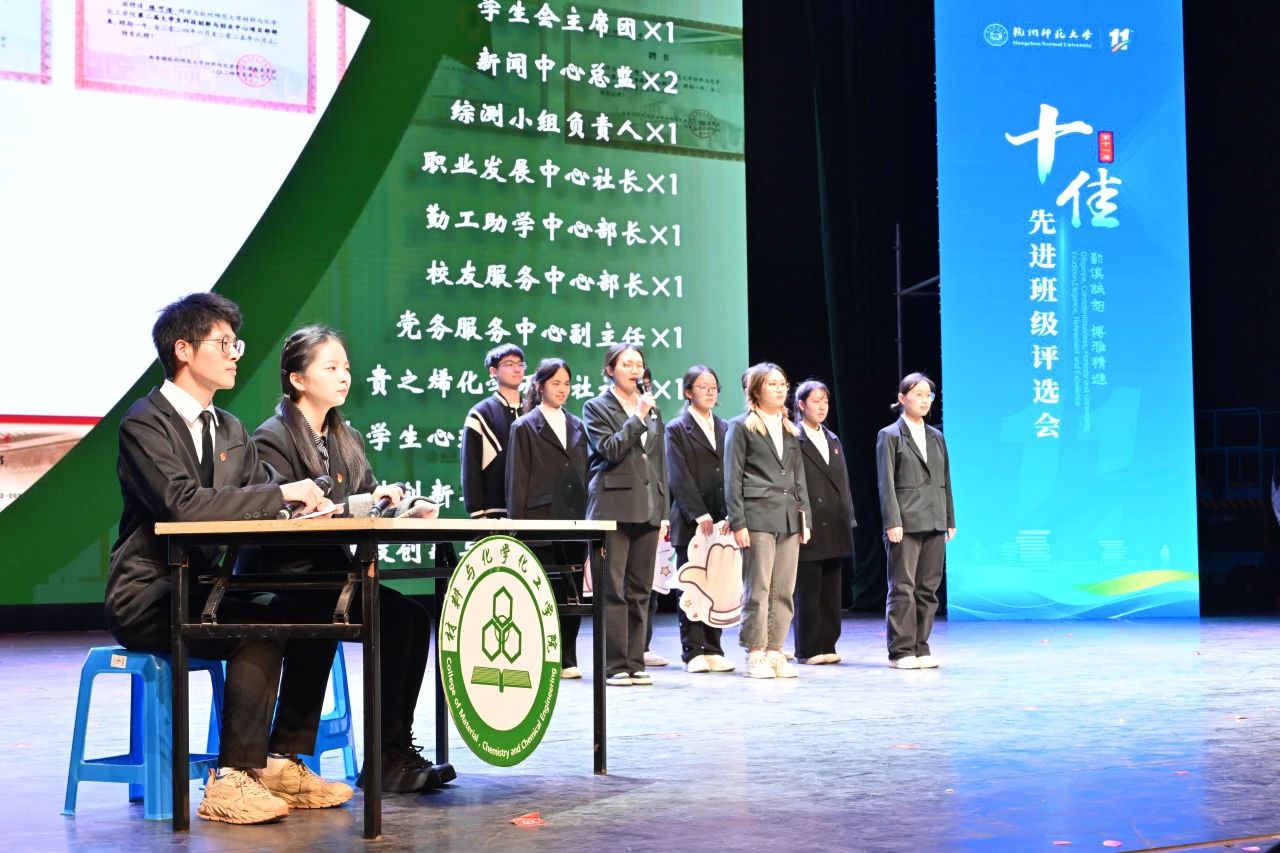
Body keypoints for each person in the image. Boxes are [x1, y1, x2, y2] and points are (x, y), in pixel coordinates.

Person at [104, 293, 351, 825]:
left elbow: (264, 498)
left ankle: (281, 760)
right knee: (257, 625)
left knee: (317, 610)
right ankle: (231, 777)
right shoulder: (144, 423)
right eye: (224, 344)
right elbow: (182, 505)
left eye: (236, 344)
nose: (236, 354)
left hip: (206, 588)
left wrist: (312, 506)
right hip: (151, 593)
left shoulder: (231, 429)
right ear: (184, 349)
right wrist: (282, 494)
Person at [245, 324, 455, 792]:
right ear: (298, 379)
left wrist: (400, 506)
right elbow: (289, 512)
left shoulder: (346, 437)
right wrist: (360, 504)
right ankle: (376, 754)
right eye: (331, 367)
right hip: (284, 575)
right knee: (392, 619)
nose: (344, 376)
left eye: (346, 367)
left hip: (331, 574)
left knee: (412, 616)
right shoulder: (272, 437)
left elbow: (364, 502)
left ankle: (391, 748)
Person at [582, 344, 668, 686]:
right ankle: (614, 664)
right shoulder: (596, 407)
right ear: (610, 370)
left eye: (639, 364)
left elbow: (658, 462)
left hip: (648, 507)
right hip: (612, 507)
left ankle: (635, 661)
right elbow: (610, 449)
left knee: (640, 589)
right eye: (627, 364)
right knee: (612, 589)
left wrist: (663, 509)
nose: (635, 370)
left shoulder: (652, 408)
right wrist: (637, 418)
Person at [725, 363, 811, 679]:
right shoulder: (741, 427)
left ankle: (775, 651)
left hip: (788, 516)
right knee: (758, 588)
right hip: (757, 515)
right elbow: (732, 478)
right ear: (756, 390)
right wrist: (738, 522)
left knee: (784, 588)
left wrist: (805, 518)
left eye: (783, 384)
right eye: (772, 384)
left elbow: (799, 478)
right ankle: (755, 652)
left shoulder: (790, 429)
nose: (779, 389)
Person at [506, 357, 587, 679]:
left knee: (573, 590)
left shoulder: (577, 425)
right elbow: (517, 481)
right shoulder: (525, 426)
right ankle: (542, 656)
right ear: (540, 386)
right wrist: (518, 526)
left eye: (566, 384)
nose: (562, 389)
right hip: (539, 521)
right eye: (556, 383)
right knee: (542, 592)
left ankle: (568, 657)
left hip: (575, 520)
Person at [876, 372, 955, 670]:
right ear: (902, 398)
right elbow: (886, 483)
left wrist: (949, 518)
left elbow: (945, 480)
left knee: (927, 589)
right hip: (905, 522)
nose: (924, 400)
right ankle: (901, 650)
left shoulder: (937, 437)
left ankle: (921, 646)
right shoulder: (890, 435)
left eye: (928, 395)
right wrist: (892, 521)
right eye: (918, 394)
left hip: (934, 519)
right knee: (903, 587)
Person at [664, 365, 736, 673]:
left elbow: (733, 472)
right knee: (692, 586)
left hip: (723, 519)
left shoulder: (726, 427)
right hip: (692, 520)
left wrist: (732, 510)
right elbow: (677, 475)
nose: (709, 392)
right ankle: (693, 650)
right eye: (702, 387)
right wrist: (698, 512)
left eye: (713, 387)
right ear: (687, 392)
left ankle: (714, 647)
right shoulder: (676, 428)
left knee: (719, 584)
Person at [792, 380, 857, 665]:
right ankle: (808, 648)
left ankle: (828, 643)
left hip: (835, 520)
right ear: (801, 404)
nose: (822, 406)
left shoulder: (832, 439)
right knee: (808, 589)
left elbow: (843, 482)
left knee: (831, 589)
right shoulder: (793, 437)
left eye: (826, 401)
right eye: (816, 401)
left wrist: (848, 516)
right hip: (809, 520)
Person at [461, 344, 525, 519]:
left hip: (530, 514)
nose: (517, 369)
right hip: (494, 514)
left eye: (520, 364)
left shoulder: (533, 412)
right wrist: (477, 512)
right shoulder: (481, 413)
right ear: (493, 371)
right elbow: (470, 467)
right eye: (509, 364)